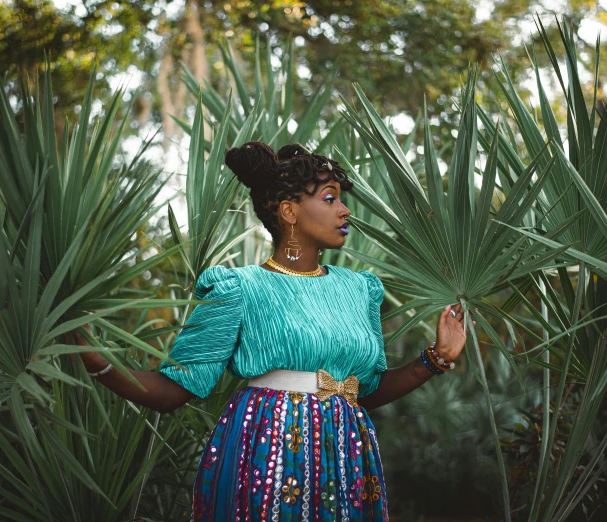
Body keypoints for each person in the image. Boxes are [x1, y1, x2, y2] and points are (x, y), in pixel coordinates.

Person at [73, 142, 469, 521]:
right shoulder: (238, 288)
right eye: (330, 198)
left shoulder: (358, 288)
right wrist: (98, 364)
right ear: (289, 211)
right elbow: (173, 391)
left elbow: (365, 391)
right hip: (269, 450)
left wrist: (436, 359)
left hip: (347, 455)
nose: (345, 211)